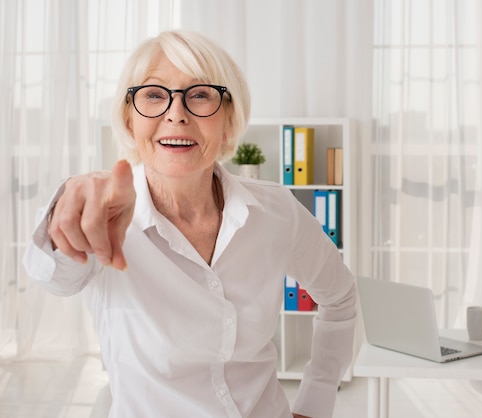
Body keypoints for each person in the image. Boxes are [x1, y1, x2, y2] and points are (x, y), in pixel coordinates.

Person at [23, 30, 357, 418]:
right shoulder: (106, 215)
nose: (176, 113)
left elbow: (341, 297)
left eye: (199, 94)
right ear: (129, 120)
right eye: (153, 94)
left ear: (228, 120)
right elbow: (53, 276)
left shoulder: (277, 211)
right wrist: (69, 210)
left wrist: (315, 403)